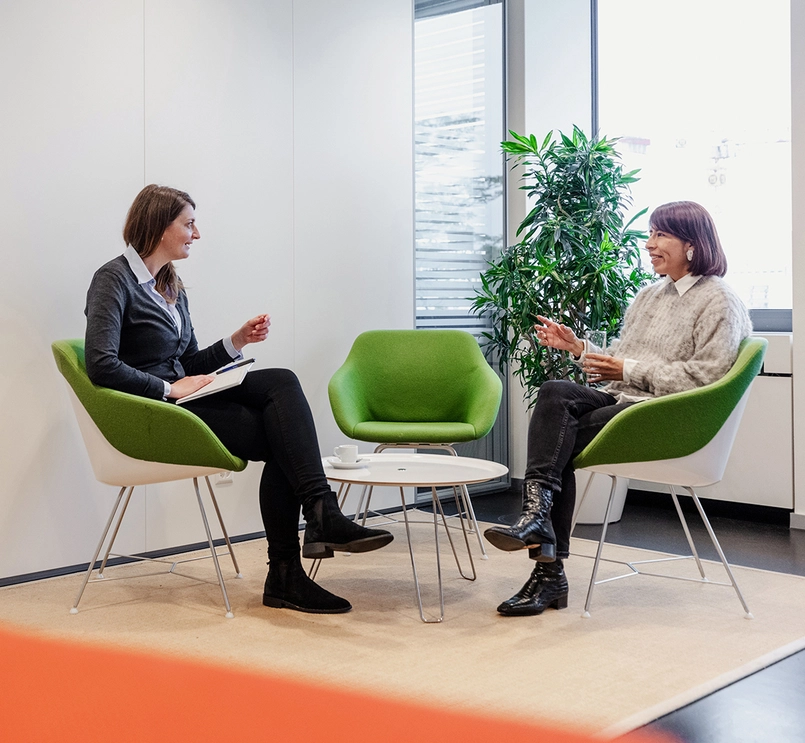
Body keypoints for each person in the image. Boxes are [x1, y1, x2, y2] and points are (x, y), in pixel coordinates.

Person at [84, 184, 393, 615]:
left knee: (282, 382)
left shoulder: (171, 285)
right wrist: (168, 388)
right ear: (159, 226)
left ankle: (313, 529)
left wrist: (236, 342)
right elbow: (100, 364)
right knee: (284, 440)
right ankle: (297, 557)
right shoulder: (113, 279)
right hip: (157, 410)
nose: (196, 234)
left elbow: (189, 361)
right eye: (189, 224)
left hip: (187, 396)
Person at [483, 201, 752, 616]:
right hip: (625, 401)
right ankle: (537, 523)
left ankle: (547, 567)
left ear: (692, 244)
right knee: (555, 392)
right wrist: (579, 348)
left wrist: (628, 368)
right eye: (651, 234)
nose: (649, 244)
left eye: (661, 235)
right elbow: (620, 365)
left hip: (666, 414)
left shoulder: (720, 301)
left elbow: (707, 378)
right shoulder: (649, 296)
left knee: (557, 442)